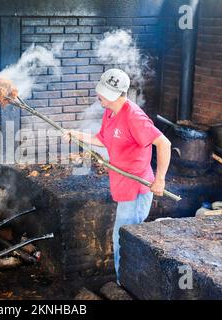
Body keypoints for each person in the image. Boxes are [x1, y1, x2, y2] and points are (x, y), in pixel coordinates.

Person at [64, 69, 172, 285]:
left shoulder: (134, 116)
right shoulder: (109, 111)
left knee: (124, 240)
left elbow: (164, 143)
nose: (99, 97)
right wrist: (76, 135)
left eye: (103, 94)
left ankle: (127, 286)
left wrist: (160, 180)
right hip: (122, 186)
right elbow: (103, 139)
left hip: (136, 189)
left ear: (117, 94)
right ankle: (129, 284)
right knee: (123, 239)